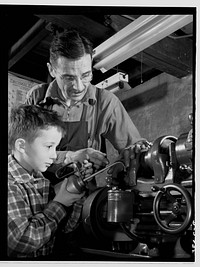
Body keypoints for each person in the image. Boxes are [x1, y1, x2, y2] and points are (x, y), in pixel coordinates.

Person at [24, 29, 149, 186]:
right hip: (38, 194)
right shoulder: (36, 98)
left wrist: (138, 151)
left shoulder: (106, 103)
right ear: (52, 70)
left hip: (84, 200)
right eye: (69, 78)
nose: (79, 86)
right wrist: (69, 157)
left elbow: (132, 148)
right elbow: (24, 150)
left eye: (85, 75)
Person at [8, 104, 93, 259]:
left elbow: (66, 228)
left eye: (56, 147)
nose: (54, 156)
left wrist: (75, 193)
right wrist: (59, 203)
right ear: (21, 145)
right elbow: (21, 241)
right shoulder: (10, 183)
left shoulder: (42, 180)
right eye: (49, 146)